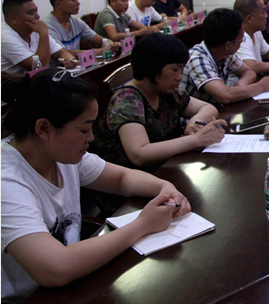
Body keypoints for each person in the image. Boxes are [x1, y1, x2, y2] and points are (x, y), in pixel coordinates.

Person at [1, 69, 191, 301]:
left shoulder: (60, 154)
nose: (90, 137)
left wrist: (164, 187)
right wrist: (143, 224)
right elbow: (55, 268)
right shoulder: (7, 179)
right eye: (83, 129)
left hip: (77, 281)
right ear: (44, 129)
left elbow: (122, 179)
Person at [91, 34, 225, 171]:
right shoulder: (126, 101)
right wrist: (195, 140)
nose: (180, 77)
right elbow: (139, 154)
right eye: (175, 69)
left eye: (181, 69)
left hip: (166, 168)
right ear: (152, 67)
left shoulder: (165, 92)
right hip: (130, 179)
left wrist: (194, 123)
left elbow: (208, 108)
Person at [180, 8, 269, 105]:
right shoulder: (197, 59)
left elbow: (248, 72)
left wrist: (241, 84)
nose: (242, 41)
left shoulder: (224, 52)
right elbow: (225, 96)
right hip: (198, 114)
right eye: (241, 38)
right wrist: (260, 86)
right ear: (228, 45)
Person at [1, 0, 77, 74]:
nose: (37, 16)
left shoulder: (33, 28)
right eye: (31, 12)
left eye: (36, 11)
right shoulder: (4, 36)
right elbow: (38, 67)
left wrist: (70, 60)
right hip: (13, 82)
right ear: (13, 18)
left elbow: (61, 52)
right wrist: (43, 34)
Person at [43, 0, 120, 58]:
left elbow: (100, 40)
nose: (78, 3)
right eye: (73, 0)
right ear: (58, 4)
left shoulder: (75, 21)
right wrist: (101, 51)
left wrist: (111, 44)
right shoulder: (47, 26)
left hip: (78, 65)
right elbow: (62, 53)